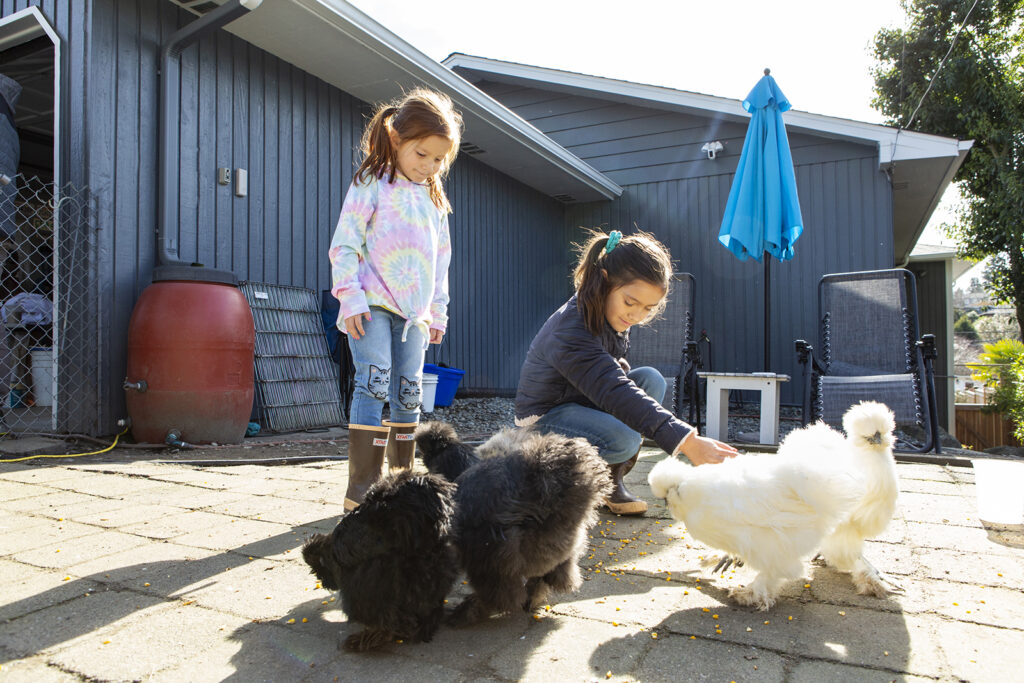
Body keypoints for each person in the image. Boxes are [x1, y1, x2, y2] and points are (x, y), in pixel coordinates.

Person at [515, 229, 739, 515]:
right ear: (605, 281)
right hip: (543, 419)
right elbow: (613, 389)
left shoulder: (609, 312)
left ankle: (609, 480)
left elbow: (610, 375)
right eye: (630, 302)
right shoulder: (571, 328)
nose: (636, 315)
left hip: (579, 401)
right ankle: (550, 484)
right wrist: (688, 441)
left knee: (650, 380)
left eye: (648, 308)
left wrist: (615, 367)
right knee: (624, 438)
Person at [329, 89, 462, 511]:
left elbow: (441, 261)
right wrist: (349, 298)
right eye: (422, 154)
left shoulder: (434, 199)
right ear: (396, 137)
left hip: (415, 318)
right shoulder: (372, 183)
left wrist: (437, 310)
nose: (429, 166)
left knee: (408, 392)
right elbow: (345, 245)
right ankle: (363, 487)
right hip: (370, 304)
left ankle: (400, 481)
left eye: (439, 160)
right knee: (374, 381)